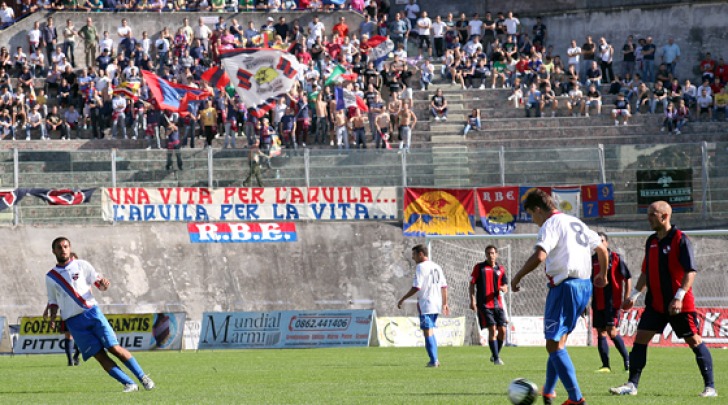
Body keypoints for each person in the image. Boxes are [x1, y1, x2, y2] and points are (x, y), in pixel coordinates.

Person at [511, 189, 609, 405]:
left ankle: (576, 399)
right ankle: (549, 391)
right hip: (583, 286)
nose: (533, 220)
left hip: (565, 287)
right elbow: (602, 248)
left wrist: (517, 276)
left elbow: (539, 255)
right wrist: (603, 274)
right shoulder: (575, 222)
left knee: (553, 344)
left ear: (538, 209)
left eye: (531, 215)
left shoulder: (551, 224)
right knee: (558, 342)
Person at [610, 201, 717, 398]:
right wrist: (634, 295)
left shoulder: (680, 239)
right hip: (655, 305)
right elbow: (645, 271)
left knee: (694, 340)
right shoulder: (651, 240)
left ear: (664, 216)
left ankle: (710, 387)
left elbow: (690, 271)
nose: (648, 218)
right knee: (640, 339)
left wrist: (678, 297)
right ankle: (632, 385)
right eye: (648, 213)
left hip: (679, 305)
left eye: (652, 214)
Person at [44, 237, 155, 393]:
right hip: (73, 322)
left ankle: (143, 377)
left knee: (114, 348)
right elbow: (52, 300)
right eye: (59, 247)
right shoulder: (51, 276)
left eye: (66, 246)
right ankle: (129, 384)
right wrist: (53, 316)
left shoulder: (82, 265)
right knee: (99, 356)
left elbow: (99, 284)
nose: (63, 249)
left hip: (92, 313)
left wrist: (103, 284)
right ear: (53, 251)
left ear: (70, 248)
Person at [397, 244, 449, 367]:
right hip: (436, 304)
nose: (413, 258)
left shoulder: (421, 267)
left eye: (414, 255)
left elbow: (417, 287)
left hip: (426, 303)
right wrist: (445, 303)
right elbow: (444, 287)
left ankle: (433, 360)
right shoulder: (437, 266)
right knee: (430, 331)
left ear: (421, 254)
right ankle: (435, 359)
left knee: (427, 332)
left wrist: (403, 298)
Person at [591, 232, 631, 373]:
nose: (599, 243)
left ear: (607, 242)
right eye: (597, 241)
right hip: (597, 302)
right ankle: (605, 366)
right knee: (600, 332)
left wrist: (627, 297)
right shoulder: (592, 259)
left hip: (612, 302)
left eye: (602, 241)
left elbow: (628, 277)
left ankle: (627, 360)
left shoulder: (615, 258)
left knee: (612, 333)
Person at [469, 245, 508, 366]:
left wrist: (503, 288)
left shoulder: (501, 269)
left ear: (497, 254)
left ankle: (495, 354)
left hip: (498, 304)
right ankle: (496, 359)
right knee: (492, 329)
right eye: (488, 253)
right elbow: (471, 284)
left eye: (492, 253)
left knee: (502, 331)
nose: (490, 255)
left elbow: (505, 285)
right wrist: (472, 300)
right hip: (484, 305)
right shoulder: (479, 267)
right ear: (485, 255)